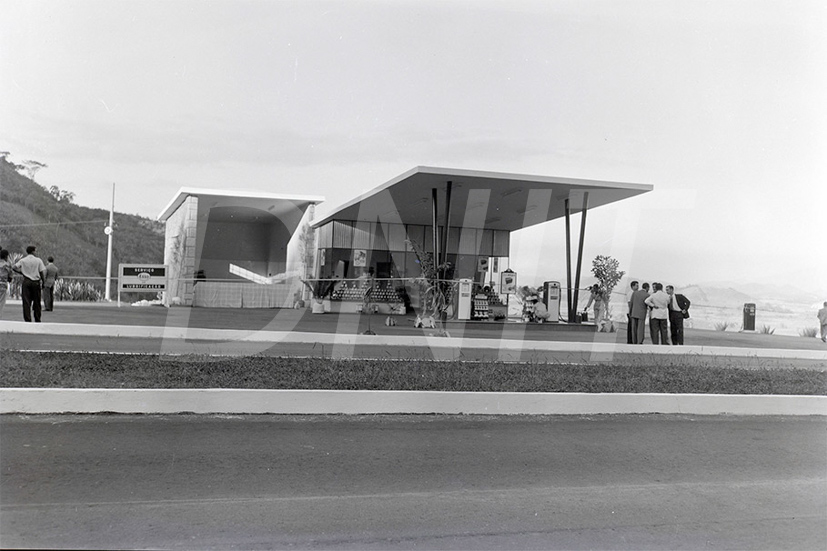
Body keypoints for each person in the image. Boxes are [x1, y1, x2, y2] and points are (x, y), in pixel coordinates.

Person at [13, 245, 47, 322]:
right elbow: (41, 272)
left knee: (26, 301)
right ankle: (37, 318)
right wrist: (43, 281)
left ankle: (27, 318)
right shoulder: (38, 260)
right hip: (35, 282)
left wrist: (22, 272)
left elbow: (14, 267)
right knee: (37, 302)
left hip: (26, 281)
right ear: (33, 251)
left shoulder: (23, 260)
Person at [0, 249, 13, 317]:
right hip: (3, 284)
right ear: (6, 256)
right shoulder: (7, 265)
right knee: (1, 301)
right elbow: (10, 277)